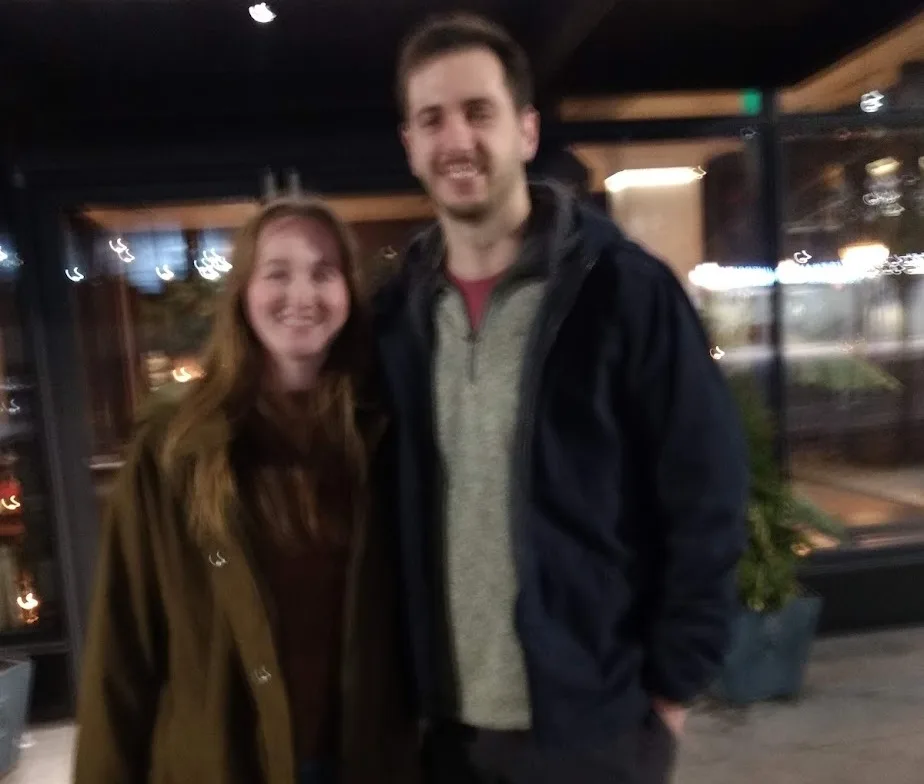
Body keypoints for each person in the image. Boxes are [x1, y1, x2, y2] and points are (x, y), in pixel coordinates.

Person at [374, 12, 749, 784]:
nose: (456, 139)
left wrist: (673, 686)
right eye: (432, 119)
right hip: (443, 735)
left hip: (594, 729)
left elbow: (706, 492)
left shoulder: (624, 291)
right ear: (410, 144)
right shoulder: (396, 318)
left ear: (526, 130)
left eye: (479, 112)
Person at [74, 198, 418, 784]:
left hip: (359, 760)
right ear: (243, 293)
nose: (302, 294)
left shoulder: (380, 433)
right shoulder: (176, 443)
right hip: (221, 762)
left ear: (349, 293)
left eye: (323, 272)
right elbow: (122, 644)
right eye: (277, 273)